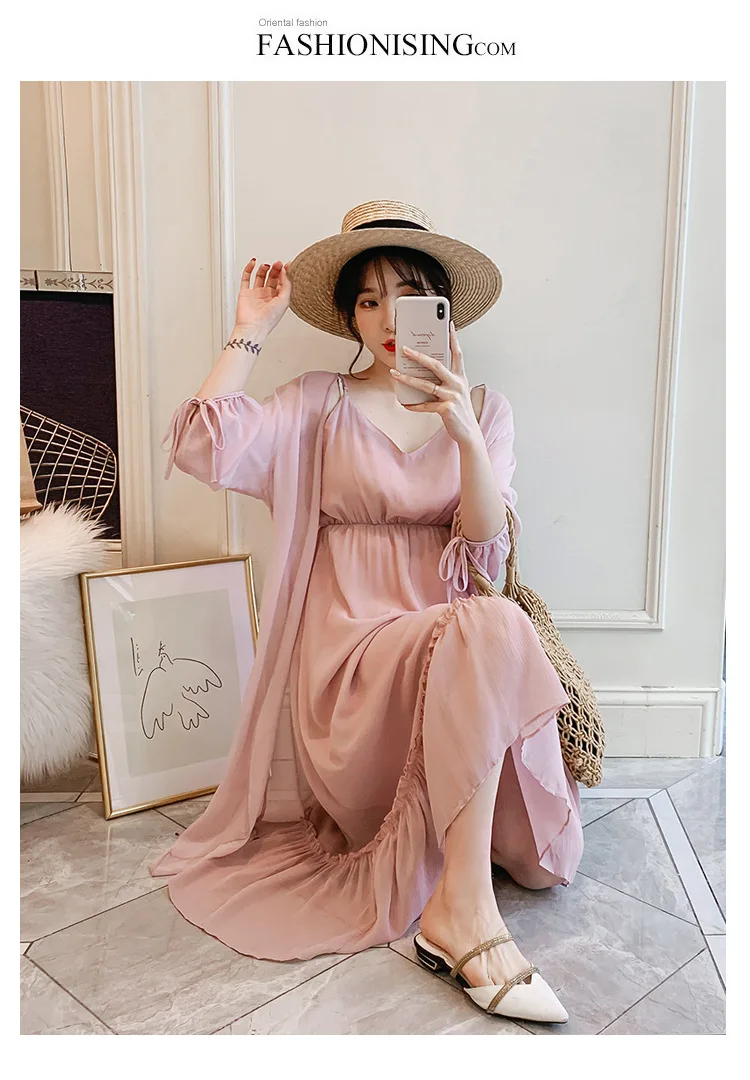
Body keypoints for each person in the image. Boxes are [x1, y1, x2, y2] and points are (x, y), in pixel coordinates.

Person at [153, 201, 583, 1024]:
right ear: (349, 317)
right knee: (490, 626)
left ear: (443, 311)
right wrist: (250, 331)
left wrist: (462, 431)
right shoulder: (318, 403)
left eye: (411, 297)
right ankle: (462, 918)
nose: (389, 319)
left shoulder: (485, 409)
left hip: (456, 660)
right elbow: (203, 447)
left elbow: (484, 552)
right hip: (350, 662)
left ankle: (460, 896)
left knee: (536, 856)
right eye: (370, 300)